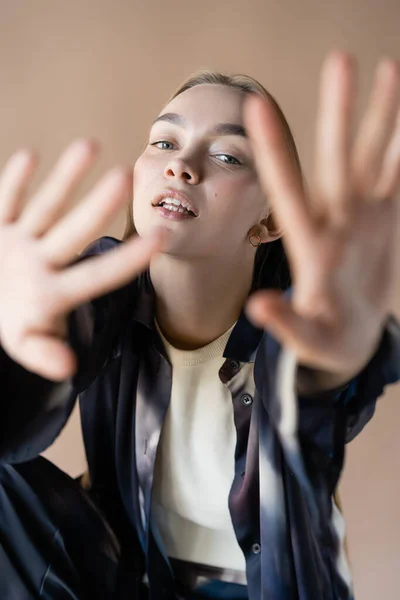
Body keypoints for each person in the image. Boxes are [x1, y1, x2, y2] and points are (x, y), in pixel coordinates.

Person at [0, 49, 399, 600]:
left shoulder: (293, 329)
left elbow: (317, 395)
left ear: (270, 221)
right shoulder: (102, 288)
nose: (181, 165)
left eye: (229, 156)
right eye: (165, 142)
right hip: (129, 575)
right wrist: (10, 353)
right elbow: (18, 411)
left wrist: (339, 366)